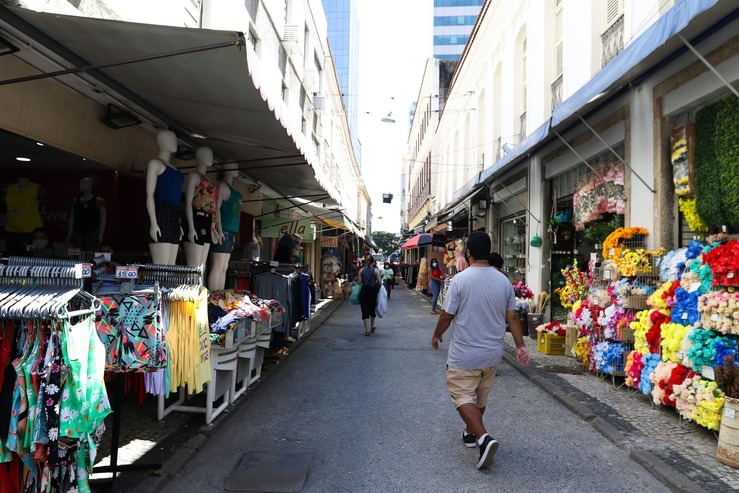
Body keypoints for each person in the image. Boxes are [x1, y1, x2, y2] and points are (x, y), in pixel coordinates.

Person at [431, 231, 530, 469]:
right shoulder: (503, 281)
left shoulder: (460, 280)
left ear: (468, 253)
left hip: (464, 354)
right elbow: (513, 317)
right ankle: (470, 432)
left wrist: (436, 335)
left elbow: (447, 314)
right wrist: (520, 346)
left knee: (463, 395)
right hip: (492, 354)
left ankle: (484, 439)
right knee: (480, 396)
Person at [145, 129, 185, 265]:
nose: (175, 142)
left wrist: (179, 224)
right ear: (161, 141)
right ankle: (158, 287)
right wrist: (154, 222)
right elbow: (149, 195)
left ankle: (167, 287)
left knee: (171, 266)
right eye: (171, 138)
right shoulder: (155, 163)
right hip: (162, 212)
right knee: (161, 266)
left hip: (176, 214)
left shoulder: (175, 169)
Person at [184, 146, 221, 269]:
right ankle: (191, 288)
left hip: (208, 221)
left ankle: (199, 288)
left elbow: (215, 206)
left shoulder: (209, 181)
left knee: (202, 266)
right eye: (207, 154)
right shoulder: (194, 176)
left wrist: (215, 228)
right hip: (196, 218)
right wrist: (191, 227)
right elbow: (188, 202)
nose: (210, 158)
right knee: (194, 266)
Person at [208, 165, 241, 291]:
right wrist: (219, 229)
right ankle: (213, 296)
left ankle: (219, 294)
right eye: (233, 166)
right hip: (223, 229)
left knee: (224, 266)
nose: (237, 168)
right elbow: (216, 208)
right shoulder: (222, 185)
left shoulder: (235, 190)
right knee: (218, 265)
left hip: (231, 230)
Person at [4, 177, 44, 255]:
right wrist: (12, 208)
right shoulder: (9, 189)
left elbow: (42, 202)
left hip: (30, 229)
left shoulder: (36, 188)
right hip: (11, 228)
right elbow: (7, 204)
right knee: (10, 254)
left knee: (27, 253)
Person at [66, 177, 106, 251]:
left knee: (93, 254)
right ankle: (73, 262)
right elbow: (72, 218)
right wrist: (70, 234)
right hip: (77, 232)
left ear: (89, 186)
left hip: (92, 232)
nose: (81, 186)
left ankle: (93, 262)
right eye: (80, 184)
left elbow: (103, 217)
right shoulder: (75, 201)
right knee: (75, 254)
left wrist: (101, 234)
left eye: (83, 184)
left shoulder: (99, 200)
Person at [358, 254, 382, 336]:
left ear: (365, 262)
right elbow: (380, 282)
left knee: (365, 310)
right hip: (373, 292)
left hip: (364, 291)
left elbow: (359, 282)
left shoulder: (361, 270)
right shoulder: (376, 270)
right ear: (373, 262)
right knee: (372, 309)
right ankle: (372, 326)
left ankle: (367, 330)